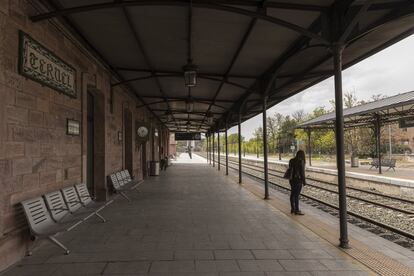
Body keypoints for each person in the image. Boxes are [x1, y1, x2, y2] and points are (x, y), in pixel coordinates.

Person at [288, 150, 307, 215]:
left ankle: (292, 209)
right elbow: (302, 173)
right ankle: (297, 210)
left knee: (292, 194)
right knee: (296, 195)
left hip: (291, 180)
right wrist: (304, 181)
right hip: (298, 180)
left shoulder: (291, 160)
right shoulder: (301, 161)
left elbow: (290, 169)